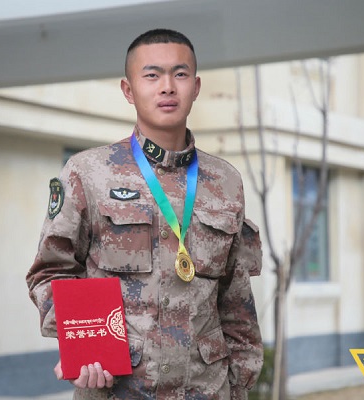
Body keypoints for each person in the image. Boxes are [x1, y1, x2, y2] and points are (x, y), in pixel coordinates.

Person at [26, 28, 264, 399]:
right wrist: (83, 347)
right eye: (152, 75)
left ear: (196, 87)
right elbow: (50, 271)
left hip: (206, 390)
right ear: (128, 90)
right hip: (117, 388)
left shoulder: (225, 181)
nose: (167, 87)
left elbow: (236, 297)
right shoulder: (88, 173)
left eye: (180, 74)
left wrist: (240, 384)